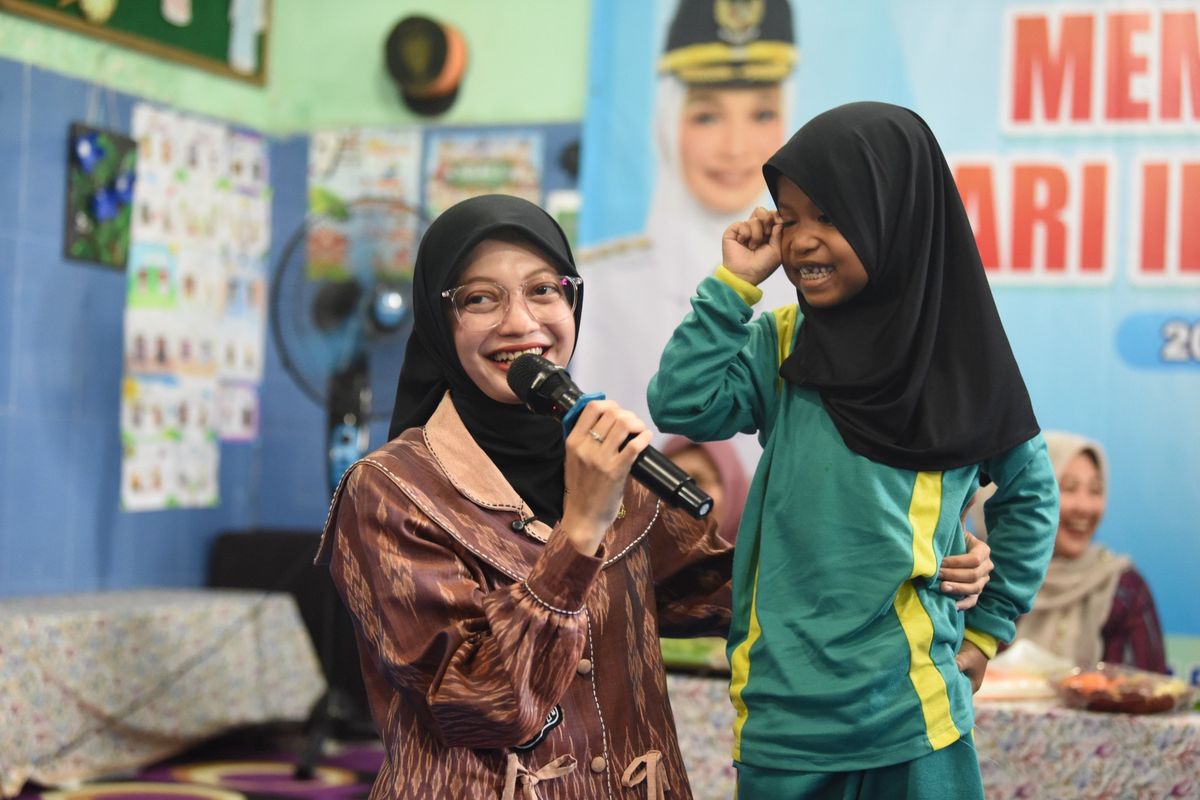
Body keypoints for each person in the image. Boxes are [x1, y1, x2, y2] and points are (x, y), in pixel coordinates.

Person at [315, 193, 995, 800]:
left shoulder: (609, 456)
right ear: (441, 321)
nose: (521, 322)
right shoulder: (390, 491)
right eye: (480, 299)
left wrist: (913, 552)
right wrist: (581, 530)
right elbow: (481, 702)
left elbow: (748, 590)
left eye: (544, 290)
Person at [647, 101, 1060, 798]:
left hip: (915, 718)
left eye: (830, 216)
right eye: (789, 217)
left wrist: (987, 628)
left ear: (894, 217)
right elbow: (682, 403)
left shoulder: (961, 364)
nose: (802, 242)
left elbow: (1031, 494)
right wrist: (733, 286)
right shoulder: (784, 342)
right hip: (785, 718)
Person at [572, 0, 798, 462]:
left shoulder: (810, 281)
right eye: (707, 117)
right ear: (667, 122)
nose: (735, 148)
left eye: (761, 115)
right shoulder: (604, 285)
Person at [1007, 431, 1167, 673]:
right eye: (1069, 488)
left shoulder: (1124, 590)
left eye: (1095, 490)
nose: (1084, 507)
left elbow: (1143, 688)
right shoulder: (988, 580)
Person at [662, 436, 750, 543]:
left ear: (733, 491)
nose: (681, 498)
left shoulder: (761, 551)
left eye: (696, 482)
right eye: (670, 483)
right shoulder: (645, 550)